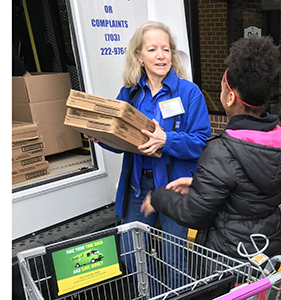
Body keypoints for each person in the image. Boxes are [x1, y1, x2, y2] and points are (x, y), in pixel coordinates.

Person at [140, 36, 281, 261]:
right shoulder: (278, 141)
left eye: (223, 89)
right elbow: (246, 192)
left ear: (231, 97)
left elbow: (192, 213)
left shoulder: (222, 150)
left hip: (229, 256)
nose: (221, 93)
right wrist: (200, 184)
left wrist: (158, 198)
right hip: (266, 248)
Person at [83, 21, 212, 291]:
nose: (161, 55)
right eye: (152, 49)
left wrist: (167, 140)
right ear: (139, 56)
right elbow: (122, 143)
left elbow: (201, 142)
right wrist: (102, 138)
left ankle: (179, 295)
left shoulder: (189, 93)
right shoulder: (129, 93)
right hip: (138, 185)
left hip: (174, 187)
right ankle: (157, 295)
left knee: (175, 258)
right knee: (132, 252)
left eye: (166, 49)